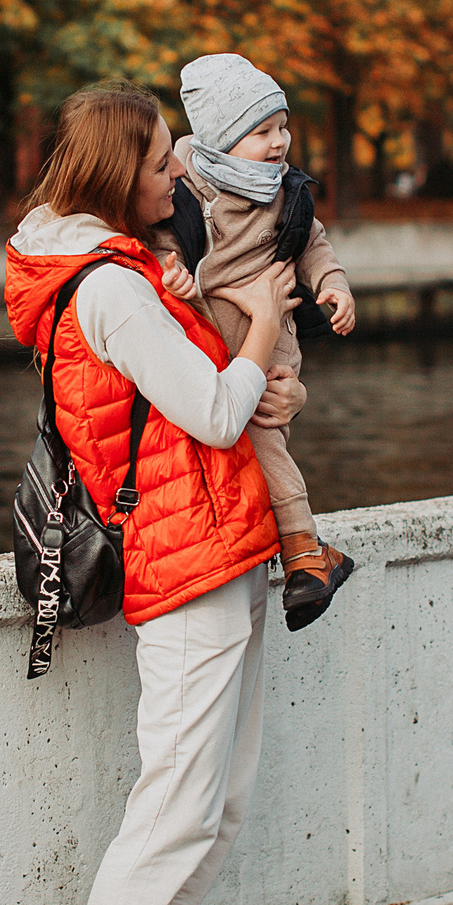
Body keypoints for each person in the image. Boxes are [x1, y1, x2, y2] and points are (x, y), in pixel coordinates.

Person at [4, 77, 307, 905]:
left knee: (217, 800)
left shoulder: (131, 270)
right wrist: (263, 317)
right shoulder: (107, 290)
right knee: (176, 802)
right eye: (159, 161)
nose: (175, 174)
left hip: (224, 546)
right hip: (184, 565)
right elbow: (219, 413)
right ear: (113, 170)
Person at [157, 53, 359, 630]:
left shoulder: (283, 194)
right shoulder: (185, 189)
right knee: (254, 444)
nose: (279, 143)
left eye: (282, 127)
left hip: (269, 346)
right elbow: (167, 250)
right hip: (210, 338)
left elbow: (314, 244)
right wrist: (178, 280)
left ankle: (302, 554)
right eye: (262, 132)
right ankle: (309, 552)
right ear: (221, 139)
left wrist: (334, 286)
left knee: (264, 437)